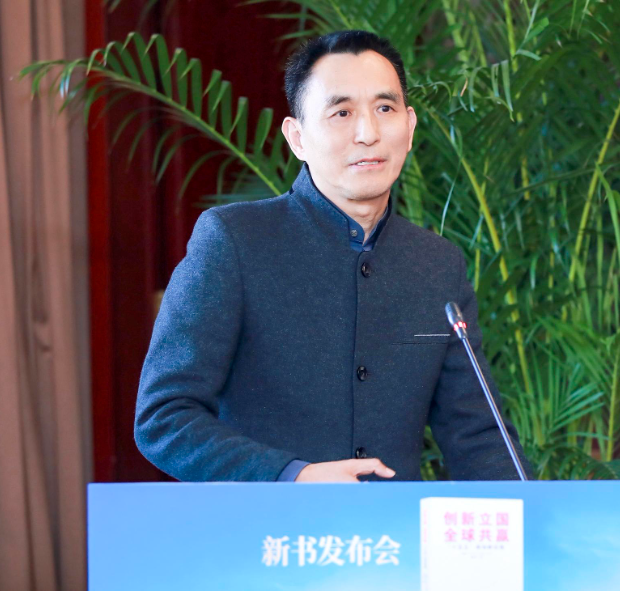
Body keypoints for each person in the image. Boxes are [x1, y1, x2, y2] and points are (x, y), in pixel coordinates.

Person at [134, 29, 531, 483]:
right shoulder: (235, 241)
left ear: (409, 127)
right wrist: (293, 477)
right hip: (269, 524)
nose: (368, 133)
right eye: (342, 113)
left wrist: (533, 515)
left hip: (391, 527)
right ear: (297, 137)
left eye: (385, 109)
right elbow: (164, 417)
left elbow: (478, 435)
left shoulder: (437, 264)